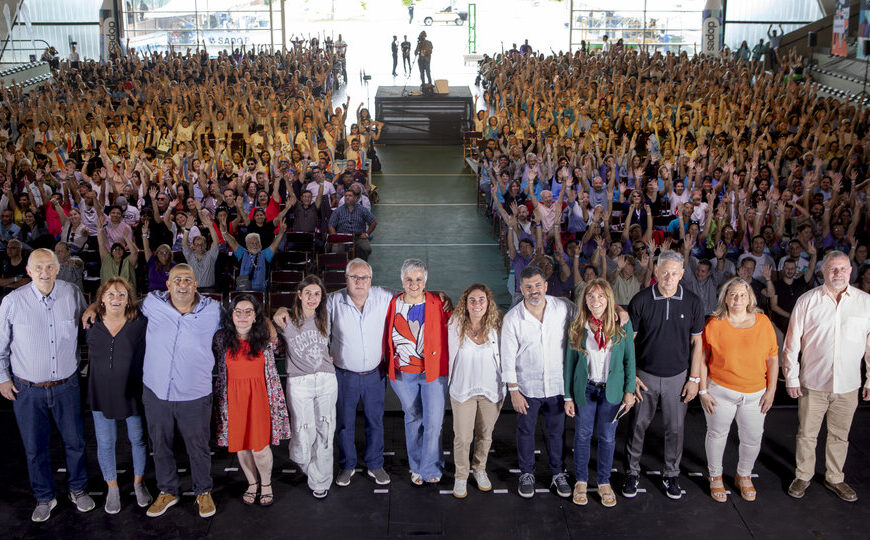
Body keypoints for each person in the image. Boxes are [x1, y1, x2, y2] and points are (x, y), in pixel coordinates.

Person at [85, 264, 222, 518]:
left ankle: (203, 491)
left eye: (188, 280)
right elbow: (119, 303)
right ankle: (168, 491)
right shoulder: (151, 304)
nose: (182, 284)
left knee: (198, 446)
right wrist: (95, 306)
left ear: (195, 284)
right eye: (177, 279)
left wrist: (269, 320)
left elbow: (244, 317)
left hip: (195, 393)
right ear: (168, 285)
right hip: (157, 393)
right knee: (160, 445)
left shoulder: (214, 310)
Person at [0, 248, 95, 522]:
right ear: (28, 272)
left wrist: (92, 308)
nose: (44, 272)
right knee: (35, 447)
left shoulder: (71, 292)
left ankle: (77, 489)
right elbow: (1, 346)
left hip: (67, 385)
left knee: (75, 442)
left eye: (49, 267)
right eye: (38, 268)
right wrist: (3, 378)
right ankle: (44, 496)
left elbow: (85, 321)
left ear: (57, 268)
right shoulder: (12, 301)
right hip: (27, 390)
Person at [783, 251, 870, 502]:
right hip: (813, 382)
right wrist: (791, 377)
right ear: (823, 271)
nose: (838, 273)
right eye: (833, 269)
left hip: (848, 384)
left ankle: (835, 478)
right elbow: (791, 344)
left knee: (840, 435)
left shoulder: (865, 302)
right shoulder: (807, 301)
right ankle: (803, 475)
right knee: (807, 433)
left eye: (843, 269)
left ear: (851, 271)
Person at [623, 250, 705, 500]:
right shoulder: (641, 300)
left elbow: (697, 343)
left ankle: (671, 474)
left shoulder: (693, 302)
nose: (668, 277)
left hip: (677, 378)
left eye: (674, 273)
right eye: (664, 271)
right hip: (644, 376)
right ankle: (632, 471)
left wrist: (694, 379)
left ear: (682, 274)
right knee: (638, 426)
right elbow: (628, 343)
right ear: (656, 272)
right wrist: (631, 376)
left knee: (675, 429)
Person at [699, 277, 778, 503]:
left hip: (755, 394)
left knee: (752, 438)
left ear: (750, 298)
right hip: (720, 391)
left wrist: (771, 390)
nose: (737, 299)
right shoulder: (714, 323)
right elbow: (703, 359)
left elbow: (772, 358)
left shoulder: (763, 322)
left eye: (742, 294)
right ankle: (715, 476)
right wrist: (703, 391)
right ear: (725, 297)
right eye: (732, 294)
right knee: (717, 435)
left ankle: (743, 475)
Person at [501, 265, 576, 499]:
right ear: (521, 289)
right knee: (525, 431)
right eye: (528, 287)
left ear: (545, 285)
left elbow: (588, 313)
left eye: (537, 285)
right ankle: (527, 473)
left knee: (557, 432)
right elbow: (507, 357)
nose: (534, 290)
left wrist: (618, 310)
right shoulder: (512, 318)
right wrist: (514, 391)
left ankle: (557, 474)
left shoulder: (563, 306)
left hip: (557, 386)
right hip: (527, 388)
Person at [564, 278, 636, 508]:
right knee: (582, 436)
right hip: (585, 389)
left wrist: (629, 391)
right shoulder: (578, 325)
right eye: (591, 296)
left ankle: (604, 481)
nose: (596, 301)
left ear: (609, 299)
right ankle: (582, 482)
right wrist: (568, 396)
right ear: (584, 299)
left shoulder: (622, 324)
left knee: (607, 437)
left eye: (601, 296)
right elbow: (569, 364)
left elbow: (629, 359)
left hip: (611, 391)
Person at [213, 293, 290, 507]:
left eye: (248, 311)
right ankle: (252, 483)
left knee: (260, 447)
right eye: (238, 311)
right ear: (232, 315)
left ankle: (266, 484)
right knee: (242, 447)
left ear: (255, 316)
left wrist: (276, 316)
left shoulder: (266, 339)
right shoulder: (220, 339)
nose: (243, 316)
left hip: (259, 399)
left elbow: (286, 345)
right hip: (233, 401)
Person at [323, 258, 394, 487]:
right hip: (344, 376)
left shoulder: (382, 296)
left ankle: (375, 464)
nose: (359, 281)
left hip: (375, 375)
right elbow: (317, 325)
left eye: (364, 277)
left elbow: (411, 294)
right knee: (345, 423)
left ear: (371, 280)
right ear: (346, 279)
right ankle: (347, 465)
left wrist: (439, 294)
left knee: (375, 421)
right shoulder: (333, 301)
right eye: (354, 277)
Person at [86, 277, 151, 514]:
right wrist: (91, 308)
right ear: (101, 298)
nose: (116, 299)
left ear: (129, 300)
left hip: (132, 391)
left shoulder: (139, 323)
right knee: (105, 443)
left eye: (122, 295)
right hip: (100, 393)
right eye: (111, 294)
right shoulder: (90, 323)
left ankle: (139, 483)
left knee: (138, 440)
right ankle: (112, 488)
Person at [386, 259, 450, 485]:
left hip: (433, 372)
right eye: (409, 279)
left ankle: (430, 467)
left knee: (433, 422)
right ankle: (416, 466)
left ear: (426, 282)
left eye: (419, 279)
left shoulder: (439, 303)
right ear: (402, 281)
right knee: (413, 417)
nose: (414, 284)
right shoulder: (392, 304)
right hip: (403, 374)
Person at [275, 276, 336, 498]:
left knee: (326, 430)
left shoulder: (326, 318)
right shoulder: (285, 320)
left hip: (326, 378)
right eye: (308, 293)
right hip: (299, 381)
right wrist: (278, 309)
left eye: (317, 294)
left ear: (322, 297)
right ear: (299, 295)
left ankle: (321, 480)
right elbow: (266, 326)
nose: (312, 298)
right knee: (303, 432)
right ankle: (305, 463)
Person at [447, 284, 504, 498]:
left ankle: (479, 469)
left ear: (488, 302)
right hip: (463, 391)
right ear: (465, 303)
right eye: (472, 300)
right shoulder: (454, 324)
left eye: (481, 299)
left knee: (485, 435)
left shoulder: (498, 324)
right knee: (462, 437)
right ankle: (461, 475)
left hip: (491, 391)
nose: (477, 304)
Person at [328, 190, 376, 261]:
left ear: (355, 198)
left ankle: (360, 266)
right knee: (336, 250)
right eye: (346, 196)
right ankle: (341, 269)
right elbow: (331, 225)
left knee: (366, 248)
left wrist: (366, 234)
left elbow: (373, 222)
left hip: (358, 236)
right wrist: (336, 239)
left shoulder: (362, 210)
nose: (347, 197)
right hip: (342, 237)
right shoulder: (338, 211)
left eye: (350, 196)